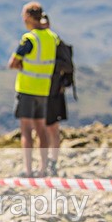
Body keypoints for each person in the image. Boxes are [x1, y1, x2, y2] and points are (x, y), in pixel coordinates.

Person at [7, 2, 59, 177]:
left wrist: (22, 65)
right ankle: (43, 168)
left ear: (28, 16)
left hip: (27, 88)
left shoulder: (29, 39)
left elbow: (12, 63)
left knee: (26, 131)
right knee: (42, 129)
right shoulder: (52, 37)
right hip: (44, 89)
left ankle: (28, 169)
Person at [42, 16, 67, 177]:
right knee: (41, 128)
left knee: (52, 128)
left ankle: (53, 162)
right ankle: (43, 164)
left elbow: (68, 65)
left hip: (53, 92)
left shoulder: (56, 42)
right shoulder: (41, 42)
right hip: (41, 91)